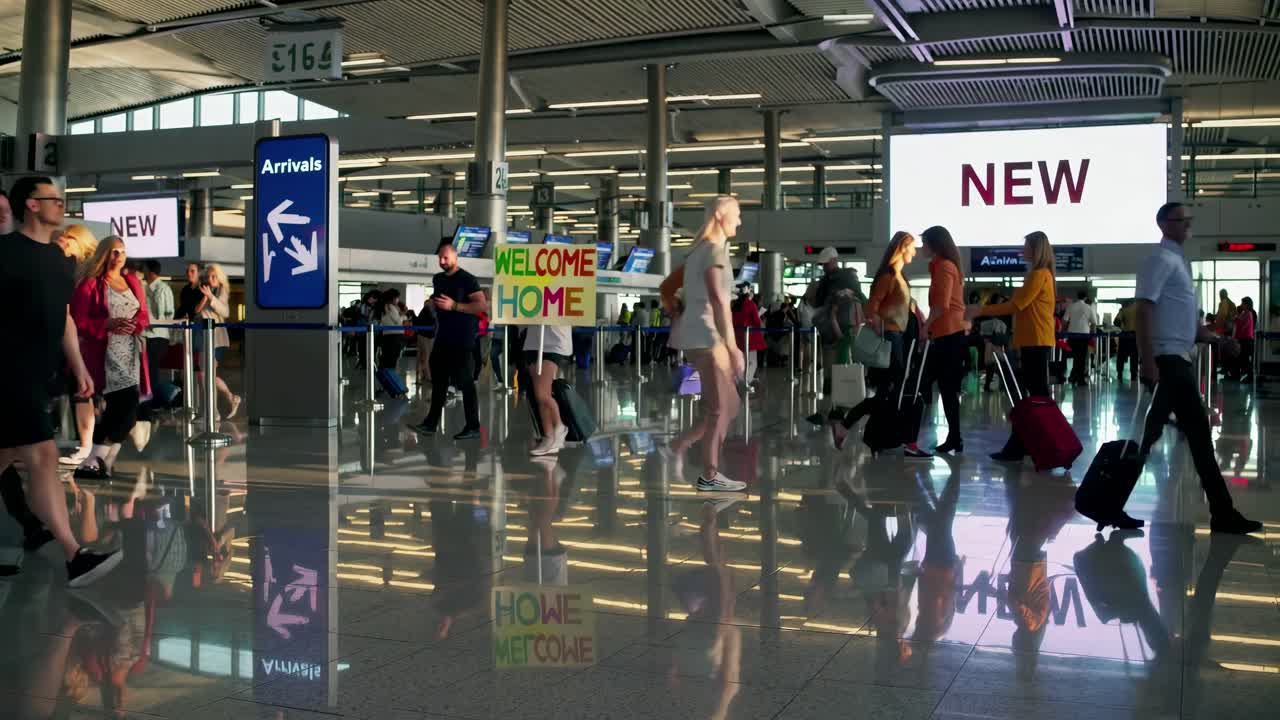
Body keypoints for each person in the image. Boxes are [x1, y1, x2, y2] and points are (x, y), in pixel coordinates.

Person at [0, 175, 122, 586]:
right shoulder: (4, 253)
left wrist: (81, 367)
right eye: (53, 198)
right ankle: (74, 555)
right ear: (31, 205)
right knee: (43, 458)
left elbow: (65, 317)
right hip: (8, 373)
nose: (61, 204)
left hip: (39, 374)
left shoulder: (60, 260)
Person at [1125, 202, 1260, 535]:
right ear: (1164, 224)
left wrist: (1218, 341)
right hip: (1169, 363)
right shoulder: (1160, 260)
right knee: (1175, 437)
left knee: (1179, 438)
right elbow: (1143, 311)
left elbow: (1189, 325)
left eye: (1188, 219)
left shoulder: (1178, 264)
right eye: (1182, 219)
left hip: (1178, 361)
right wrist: (1148, 361)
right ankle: (1222, 513)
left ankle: (1222, 512)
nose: (1188, 224)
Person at [666, 196, 748, 493]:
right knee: (718, 408)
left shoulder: (700, 250)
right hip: (709, 336)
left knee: (729, 405)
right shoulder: (713, 250)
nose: (739, 221)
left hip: (699, 335)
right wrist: (732, 346)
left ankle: (684, 446)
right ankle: (710, 473)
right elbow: (718, 300)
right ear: (720, 216)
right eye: (737, 215)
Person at [967, 231, 1058, 464]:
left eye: (1026, 246)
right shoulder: (1041, 275)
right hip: (1033, 340)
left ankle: (1041, 444)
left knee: (1035, 396)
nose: (1023, 250)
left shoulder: (1039, 275)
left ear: (1036, 249)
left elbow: (1016, 305)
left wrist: (981, 310)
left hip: (1035, 341)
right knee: (1032, 396)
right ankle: (1024, 444)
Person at [69, 236, 151, 480]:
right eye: (114, 252)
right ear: (104, 254)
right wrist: (105, 323)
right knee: (125, 410)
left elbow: (144, 314)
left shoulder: (132, 282)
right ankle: (94, 460)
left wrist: (136, 324)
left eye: (123, 252)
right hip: (106, 354)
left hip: (132, 352)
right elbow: (77, 321)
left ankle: (96, 461)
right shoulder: (91, 284)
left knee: (123, 411)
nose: (119, 257)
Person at [831, 231, 921, 452]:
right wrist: (882, 329)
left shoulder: (899, 277)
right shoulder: (888, 276)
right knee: (891, 391)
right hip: (890, 339)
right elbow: (871, 308)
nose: (915, 252)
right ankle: (851, 427)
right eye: (912, 247)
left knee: (887, 393)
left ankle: (861, 432)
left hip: (897, 338)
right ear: (902, 248)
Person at [410, 241, 488, 441]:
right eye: (440, 258)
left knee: (465, 382)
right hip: (443, 337)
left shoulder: (467, 279)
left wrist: (454, 306)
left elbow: (480, 306)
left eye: (446, 258)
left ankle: (473, 426)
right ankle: (431, 423)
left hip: (462, 339)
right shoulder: (438, 279)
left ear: (455, 257)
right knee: (439, 382)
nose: (442, 261)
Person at [51, 225, 101, 467]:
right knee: (80, 391)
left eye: (69, 239)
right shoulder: (73, 269)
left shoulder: (88, 273)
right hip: (76, 336)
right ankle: (85, 444)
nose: (64, 243)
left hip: (86, 338)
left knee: (83, 391)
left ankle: (87, 445)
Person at [918, 226, 967, 455]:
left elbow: (942, 305)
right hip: (947, 333)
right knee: (945, 388)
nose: (922, 248)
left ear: (934, 244)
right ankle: (954, 437)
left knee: (940, 386)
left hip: (949, 333)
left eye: (924, 243)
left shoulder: (945, 267)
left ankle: (954, 437)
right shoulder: (940, 266)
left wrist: (926, 326)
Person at [805, 247, 865, 424]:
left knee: (841, 370)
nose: (824, 267)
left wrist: (847, 295)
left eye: (826, 263)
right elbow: (819, 302)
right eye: (822, 264)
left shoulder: (848, 277)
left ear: (834, 260)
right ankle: (828, 410)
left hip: (844, 331)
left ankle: (838, 409)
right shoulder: (825, 281)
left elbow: (860, 297)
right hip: (829, 330)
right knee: (830, 373)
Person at [194, 263, 240, 419]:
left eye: (214, 276)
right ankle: (226, 401)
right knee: (205, 375)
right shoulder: (207, 291)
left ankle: (213, 411)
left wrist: (211, 297)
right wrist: (206, 296)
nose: (210, 279)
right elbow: (197, 312)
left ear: (219, 278)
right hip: (203, 335)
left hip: (215, 338)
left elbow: (225, 312)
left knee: (206, 374)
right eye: (209, 276)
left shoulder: (221, 291)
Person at [525, 323, 574, 456]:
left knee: (541, 395)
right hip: (533, 340)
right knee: (540, 394)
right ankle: (549, 436)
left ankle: (559, 425)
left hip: (554, 343)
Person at [141, 260, 174, 381]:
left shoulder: (163, 289)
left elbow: (169, 313)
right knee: (147, 370)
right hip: (145, 335)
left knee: (152, 370)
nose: (142, 272)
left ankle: (154, 397)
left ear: (150, 272)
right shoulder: (143, 288)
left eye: (144, 269)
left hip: (158, 336)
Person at [1064, 290, 1098, 386]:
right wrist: (1093, 336)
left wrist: (1063, 332)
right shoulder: (1088, 307)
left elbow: (1065, 321)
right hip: (1084, 336)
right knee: (1082, 358)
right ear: (1086, 298)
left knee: (1076, 356)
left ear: (1077, 296)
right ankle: (1079, 379)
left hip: (1072, 336)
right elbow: (1094, 324)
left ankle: (1074, 377)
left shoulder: (1070, 306)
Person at [732, 288, 765, 384]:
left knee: (741, 361)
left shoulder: (735, 305)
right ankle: (746, 381)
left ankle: (739, 380)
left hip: (738, 336)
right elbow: (757, 322)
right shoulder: (750, 304)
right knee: (752, 362)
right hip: (750, 337)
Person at [375, 288, 405, 372]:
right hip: (394, 336)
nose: (398, 300)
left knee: (387, 357)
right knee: (392, 359)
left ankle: (385, 375)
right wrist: (402, 315)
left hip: (387, 335)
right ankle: (390, 377)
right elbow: (398, 321)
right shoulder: (391, 306)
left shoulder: (384, 306)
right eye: (397, 297)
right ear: (393, 298)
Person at [1232, 297, 1257, 382]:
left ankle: (1250, 377)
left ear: (1246, 304)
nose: (1241, 305)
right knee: (1242, 358)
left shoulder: (1248, 314)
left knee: (1245, 359)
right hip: (1242, 339)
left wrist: (1237, 320)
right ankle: (1244, 375)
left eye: (1243, 303)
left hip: (1246, 340)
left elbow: (1243, 326)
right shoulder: (1244, 313)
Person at [1114, 298, 1139, 382]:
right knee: (1134, 356)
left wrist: (1123, 325)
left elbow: (1116, 321)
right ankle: (1134, 375)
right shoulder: (1138, 309)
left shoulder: (1124, 310)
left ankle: (1120, 373)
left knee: (1121, 356)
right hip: (1135, 336)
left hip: (1125, 335)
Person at [416, 297, 436, 386]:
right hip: (427, 336)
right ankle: (428, 376)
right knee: (426, 356)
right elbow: (433, 319)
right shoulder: (429, 308)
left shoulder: (425, 309)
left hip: (422, 334)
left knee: (422, 356)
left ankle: (421, 375)